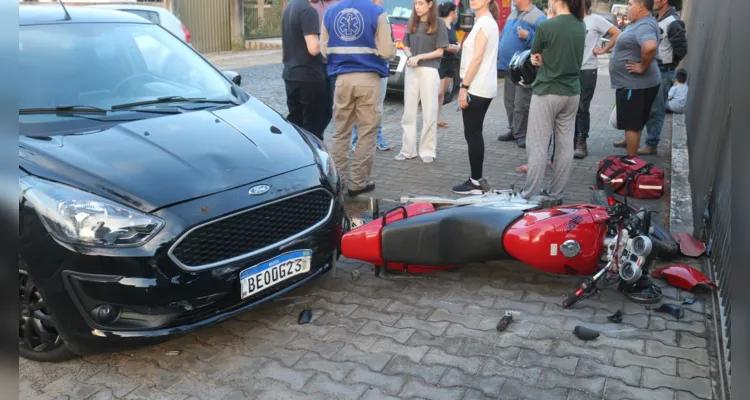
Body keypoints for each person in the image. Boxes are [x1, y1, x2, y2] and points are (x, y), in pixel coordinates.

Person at [321, 0, 395, 196]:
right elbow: (387, 51)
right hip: (369, 80)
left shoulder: (330, 13)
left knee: (340, 132)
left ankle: (337, 181)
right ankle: (357, 183)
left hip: (342, 80)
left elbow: (323, 50)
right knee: (366, 133)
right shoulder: (378, 13)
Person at [519, 0, 586, 203]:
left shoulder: (547, 26)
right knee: (565, 146)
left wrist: (538, 59)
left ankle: (530, 194)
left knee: (538, 145)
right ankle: (556, 194)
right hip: (572, 92)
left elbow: (535, 55)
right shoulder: (581, 25)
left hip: (547, 90)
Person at [450, 0, 499, 195]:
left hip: (477, 87)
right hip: (482, 86)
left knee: (473, 134)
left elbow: (477, 58)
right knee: (474, 133)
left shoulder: (485, 23)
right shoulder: (486, 22)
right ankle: (476, 179)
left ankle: (476, 181)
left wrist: (464, 87)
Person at [395, 0, 450, 164]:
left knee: (429, 111)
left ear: (430, 4)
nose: (417, 7)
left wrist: (419, 57)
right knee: (408, 112)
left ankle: (427, 150)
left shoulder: (438, 22)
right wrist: (411, 56)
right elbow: (405, 44)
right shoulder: (413, 20)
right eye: (415, 4)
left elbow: (440, 51)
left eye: (420, 3)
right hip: (412, 70)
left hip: (429, 70)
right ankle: (407, 150)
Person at [609, 0, 661, 158]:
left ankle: (631, 164)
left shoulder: (644, 25)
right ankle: (631, 160)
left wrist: (642, 67)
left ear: (640, 6)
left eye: (630, 4)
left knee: (632, 125)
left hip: (635, 85)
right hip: (632, 84)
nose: (628, 8)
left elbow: (650, 46)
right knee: (633, 124)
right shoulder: (639, 23)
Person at [636, 0, 688, 155]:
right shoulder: (657, 18)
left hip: (664, 71)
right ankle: (635, 138)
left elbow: (682, 49)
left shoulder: (673, 22)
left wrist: (670, 63)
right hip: (653, 69)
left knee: (656, 109)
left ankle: (651, 144)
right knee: (644, 106)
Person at [573, 0, 621, 159]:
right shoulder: (570, 19)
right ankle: (569, 142)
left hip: (587, 70)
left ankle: (581, 142)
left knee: (582, 107)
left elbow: (617, 33)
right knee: (568, 107)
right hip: (569, 70)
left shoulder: (595, 20)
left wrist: (603, 50)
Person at [496, 0, 546, 148]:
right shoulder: (513, 14)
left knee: (521, 103)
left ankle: (522, 134)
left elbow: (543, 43)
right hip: (509, 67)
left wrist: (528, 36)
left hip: (524, 69)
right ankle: (514, 129)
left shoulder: (538, 17)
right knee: (509, 102)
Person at [281, 0, 328, 139]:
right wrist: (327, 45)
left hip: (290, 74)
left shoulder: (289, 7)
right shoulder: (308, 10)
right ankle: (314, 158)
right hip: (309, 76)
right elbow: (313, 48)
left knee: (295, 123)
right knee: (313, 127)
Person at [351, 0, 393, 152]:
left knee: (378, 105)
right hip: (366, 66)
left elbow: (388, 42)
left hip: (381, 66)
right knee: (361, 104)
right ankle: (357, 139)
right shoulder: (362, 15)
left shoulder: (383, 16)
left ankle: (377, 137)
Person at [310, 0, 340, 131]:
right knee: (314, 107)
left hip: (334, 64)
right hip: (314, 65)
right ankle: (314, 138)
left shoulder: (339, 4)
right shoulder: (310, 6)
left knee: (331, 108)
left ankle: (319, 136)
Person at [437, 2, 460, 128]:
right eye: (456, 12)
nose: (456, 14)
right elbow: (437, 42)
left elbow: (455, 41)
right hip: (441, 61)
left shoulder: (452, 27)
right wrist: (447, 47)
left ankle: (438, 118)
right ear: (451, 13)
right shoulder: (440, 25)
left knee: (443, 92)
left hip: (451, 61)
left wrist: (457, 46)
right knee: (438, 92)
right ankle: (431, 117)